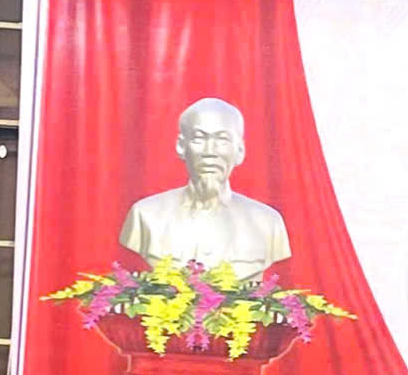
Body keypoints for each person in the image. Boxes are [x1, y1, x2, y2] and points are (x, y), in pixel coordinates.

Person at [117, 97, 292, 274]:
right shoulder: (145, 215)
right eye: (199, 139)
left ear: (240, 151)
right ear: (181, 146)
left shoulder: (267, 223)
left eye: (222, 140)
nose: (210, 152)